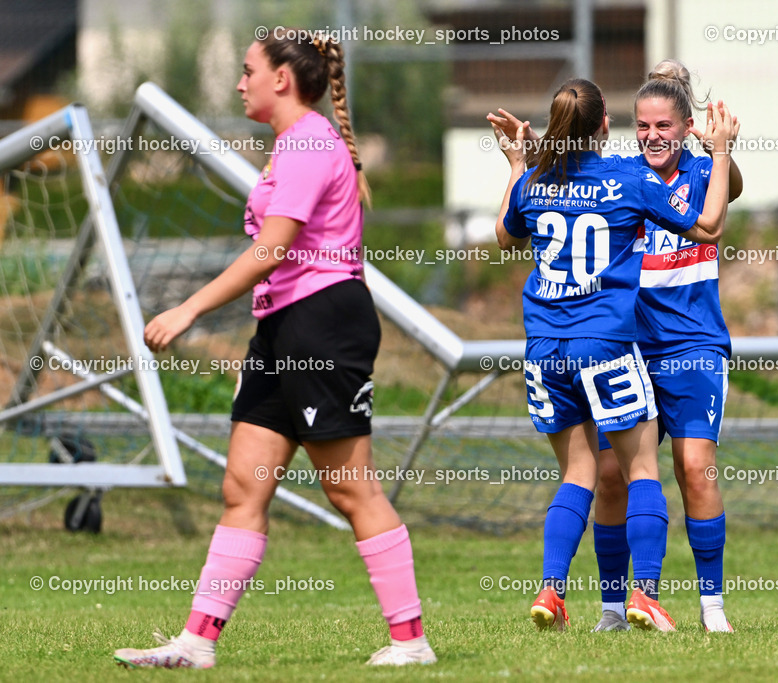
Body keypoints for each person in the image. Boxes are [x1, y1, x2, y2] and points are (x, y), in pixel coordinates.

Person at [113, 32, 435, 668]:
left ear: (283, 79)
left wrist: (189, 308)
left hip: (322, 328)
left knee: (349, 487)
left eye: (247, 70)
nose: (240, 83)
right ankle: (197, 642)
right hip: (283, 329)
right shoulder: (291, 145)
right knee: (244, 486)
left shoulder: (311, 143)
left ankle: (411, 642)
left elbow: (272, 250)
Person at [489, 59, 742, 633]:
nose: (653, 135)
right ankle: (637, 597)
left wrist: (517, 163)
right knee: (634, 469)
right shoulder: (629, 178)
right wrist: (722, 148)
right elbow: (708, 226)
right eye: (642, 125)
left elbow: (504, 234)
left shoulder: (538, 180)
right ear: (610, 125)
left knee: (585, 472)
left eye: (665, 124)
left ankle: (555, 590)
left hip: (549, 348)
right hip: (609, 344)